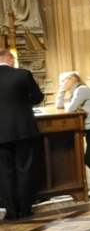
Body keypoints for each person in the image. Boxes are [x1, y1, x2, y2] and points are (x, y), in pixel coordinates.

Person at [0, 48, 43, 220]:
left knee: (3, 172)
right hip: (23, 129)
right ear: (9, 58)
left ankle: (11, 212)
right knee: (24, 169)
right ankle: (25, 209)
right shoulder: (23, 74)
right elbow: (37, 97)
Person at [55, 71, 90, 199]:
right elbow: (59, 105)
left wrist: (67, 99)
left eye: (63, 81)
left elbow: (70, 109)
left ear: (72, 79)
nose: (61, 84)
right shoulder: (75, 92)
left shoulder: (81, 90)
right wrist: (61, 91)